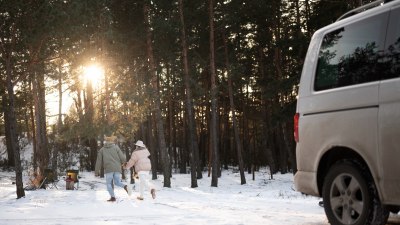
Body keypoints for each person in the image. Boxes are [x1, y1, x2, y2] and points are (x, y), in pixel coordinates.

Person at [95, 135, 131, 202]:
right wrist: (124, 162)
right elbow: (122, 156)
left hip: (109, 169)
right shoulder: (116, 147)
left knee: (109, 183)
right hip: (117, 168)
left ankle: (113, 197)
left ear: (106, 141)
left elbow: (99, 161)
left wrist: (96, 171)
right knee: (117, 182)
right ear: (111, 141)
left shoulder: (102, 150)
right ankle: (125, 186)